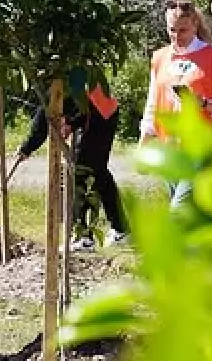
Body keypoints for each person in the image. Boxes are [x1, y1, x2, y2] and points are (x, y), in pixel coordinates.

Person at [139, 0, 212, 208]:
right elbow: (153, 101)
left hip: (201, 145)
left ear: (195, 25)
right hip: (169, 145)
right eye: (172, 30)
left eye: (183, 30)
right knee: (190, 211)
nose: (177, 36)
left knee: (178, 210)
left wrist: (203, 103)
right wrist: (145, 138)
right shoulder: (160, 57)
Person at [16, 85, 129, 250]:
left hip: (99, 112)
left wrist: (27, 147)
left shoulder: (52, 76)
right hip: (98, 110)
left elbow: (43, 120)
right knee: (98, 172)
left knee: (82, 171)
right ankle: (120, 229)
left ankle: (84, 238)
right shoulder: (57, 71)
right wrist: (72, 123)